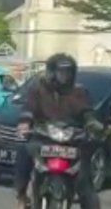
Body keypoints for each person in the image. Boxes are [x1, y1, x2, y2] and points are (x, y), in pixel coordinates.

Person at [14, 53, 102, 209]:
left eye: (68, 72)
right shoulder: (38, 90)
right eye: (61, 72)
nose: (65, 76)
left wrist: (92, 122)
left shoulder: (78, 92)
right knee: (23, 151)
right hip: (43, 138)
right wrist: (25, 123)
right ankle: (21, 195)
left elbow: (86, 110)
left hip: (72, 140)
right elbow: (29, 109)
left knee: (85, 182)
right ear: (51, 72)